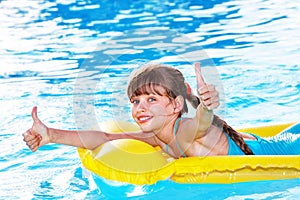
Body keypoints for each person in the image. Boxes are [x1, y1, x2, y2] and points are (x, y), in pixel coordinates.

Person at [23, 62, 299, 158]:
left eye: (151, 100)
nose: (140, 108)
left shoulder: (187, 130)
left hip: (288, 149)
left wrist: (205, 103)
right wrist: (50, 135)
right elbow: (104, 139)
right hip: (277, 140)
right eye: (135, 101)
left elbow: (202, 122)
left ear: (176, 105)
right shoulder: (159, 136)